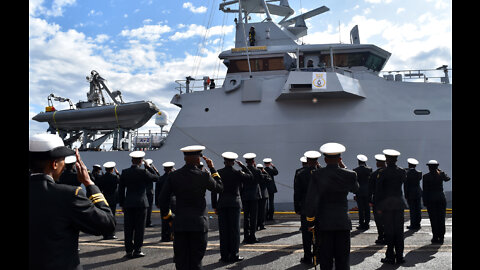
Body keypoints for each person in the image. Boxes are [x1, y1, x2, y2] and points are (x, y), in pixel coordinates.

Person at [29, 133, 115, 269]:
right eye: (63, 160)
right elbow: (107, 224)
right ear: (54, 164)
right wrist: (90, 184)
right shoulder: (69, 195)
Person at [159, 145, 223, 270]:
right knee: (196, 261)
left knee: (181, 260)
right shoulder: (204, 176)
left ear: (184, 158)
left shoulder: (173, 176)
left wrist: (168, 218)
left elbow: (162, 199)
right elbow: (220, 188)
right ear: (199, 159)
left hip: (180, 223)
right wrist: (212, 168)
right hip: (199, 224)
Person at [305, 143, 359, 270]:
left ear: (325, 159)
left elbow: (311, 200)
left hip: (324, 222)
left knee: (325, 259)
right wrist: (344, 167)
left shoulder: (317, 175)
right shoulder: (350, 174)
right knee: (343, 259)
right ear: (340, 159)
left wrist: (310, 221)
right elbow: (356, 189)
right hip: (342, 222)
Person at [212, 151, 253, 263]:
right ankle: (234, 255)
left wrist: (214, 205)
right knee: (234, 231)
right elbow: (251, 177)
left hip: (222, 203)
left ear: (224, 161)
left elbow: (214, 190)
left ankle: (224, 256)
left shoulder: (218, 173)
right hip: (234, 203)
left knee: (223, 231)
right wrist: (243, 166)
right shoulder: (238, 173)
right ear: (234, 162)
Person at [118, 150, 160, 258]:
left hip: (128, 204)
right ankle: (137, 250)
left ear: (132, 160)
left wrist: (122, 204)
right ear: (141, 161)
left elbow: (121, 190)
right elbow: (157, 178)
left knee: (128, 228)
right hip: (141, 204)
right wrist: (149, 167)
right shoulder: (144, 172)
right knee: (139, 228)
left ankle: (128, 251)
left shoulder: (125, 172)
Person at [375, 149, 407, 265]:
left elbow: (379, 191)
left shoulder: (382, 172)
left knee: (389, 231)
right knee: (399, 231)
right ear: (396, 160)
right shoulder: (402, 172)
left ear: (387, 160)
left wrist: (377, 205)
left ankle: (390, 256)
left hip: (387, 205)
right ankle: (400, 256)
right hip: (399, 204)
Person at [294, 150, 321, 265]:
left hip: (306, 207)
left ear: (307, 160)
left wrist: (297, 208)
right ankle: (318, 256)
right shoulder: (322, 172)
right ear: (317, 161)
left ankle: (307, 257)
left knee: (306, 234)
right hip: (320, 207)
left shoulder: (300, 173)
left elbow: (297, 193)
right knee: (319, 233)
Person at [422, 160, 451, 244]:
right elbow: (448, 179)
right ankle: (441, 237)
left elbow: (425, 190)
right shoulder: (441, 174)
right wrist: (441, 172)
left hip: (431, 199)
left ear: (429, 167)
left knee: (433, 218)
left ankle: (435, 237)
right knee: (441, 218)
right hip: (441, 198)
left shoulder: (426, 176)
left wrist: (425, 201)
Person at [241, 152, 262, 244]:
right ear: (253, 161)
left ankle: (246, 237)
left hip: (245, 196)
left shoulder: (243, 171)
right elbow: (260, 181)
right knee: (254, 217)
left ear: (246, 161)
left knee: (246, 217)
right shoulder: (257, 171)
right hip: (254, 196)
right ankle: (252, 236)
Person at [97, 161, 121, 239]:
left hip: (105, 198)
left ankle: (105, 233)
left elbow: (99, 188)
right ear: (112, 169)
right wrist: (118, 174)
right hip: (113, 198)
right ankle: (111, 233)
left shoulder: (102, 178)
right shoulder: (115, 177)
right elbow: (122, 181)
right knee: (112, 216)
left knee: (104, 216)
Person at [155, 161, 176, 242]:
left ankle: (164, 236)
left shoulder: (160, 179)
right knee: (173, 219)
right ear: (171, 168)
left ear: (164, 169)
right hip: (173, 201)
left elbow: (157, 192)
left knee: (164, 220)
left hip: (163, 202)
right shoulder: (174, 178)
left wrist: (157, 203)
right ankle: (172, 235)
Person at [369, 154, 386, 244]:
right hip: (390, 200)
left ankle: (381, 236)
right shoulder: (392, 172)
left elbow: (371, 189)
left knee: (379, 221)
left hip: (378, 201)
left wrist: (370, 201)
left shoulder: (374, 174)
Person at [353, 154, 373, 230]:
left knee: (361, 209)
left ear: (358, 161)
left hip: (359, 191)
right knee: (367, 208)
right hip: (367, 191)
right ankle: (367, 224)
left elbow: (355, 182)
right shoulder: (369, 169)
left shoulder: (355, 170)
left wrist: (355, 192)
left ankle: (361, 224)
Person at [404, 158, 423, 230]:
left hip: (410, 193)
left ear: (409, 164)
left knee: (412, 210)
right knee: (418, 209)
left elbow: (406, 185)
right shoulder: (419, 173)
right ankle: (418, 224)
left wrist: (406, 194)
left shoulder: (407, 173)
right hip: (418, 192)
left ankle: (413, 224)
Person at [144, 158, 160, 227]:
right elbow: (158, 178)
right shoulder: (149, 173)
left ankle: (144, 222)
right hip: (149, 193)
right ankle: (148, 222)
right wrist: (153, 169)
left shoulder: (143, 172)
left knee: (144, 209)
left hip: (144, 192)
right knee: (149, 209)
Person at [256, 163, 272, 231]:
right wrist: (265, 171)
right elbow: (270, 179)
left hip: (257, 195)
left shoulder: (255, 175)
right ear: (262, 169)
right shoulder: (265, 175)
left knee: (256, 211)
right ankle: (262, 225)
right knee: (262, 211)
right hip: (264, 195)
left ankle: (256, 225)